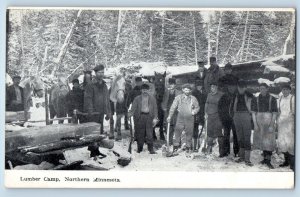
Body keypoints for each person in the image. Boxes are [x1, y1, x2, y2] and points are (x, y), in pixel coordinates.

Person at [167, 84, 200, 156]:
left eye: (188, 90)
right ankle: (175, 149)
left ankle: (188, 149)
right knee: (177, 133)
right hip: (180, 117)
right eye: (185, 90)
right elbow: (173, 107)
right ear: (182, 90)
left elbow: (197, 107)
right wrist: (169, 116)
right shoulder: (178, 98)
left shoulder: (193, 98)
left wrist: (194, 112)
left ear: (190, 91)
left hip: (190, 118)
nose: (187, 91)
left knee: (189, 133)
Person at [251, 83, 278, 169]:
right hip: (259, 121)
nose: (262, 90)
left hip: (268, 121)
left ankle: (268, 160)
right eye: (260, 88)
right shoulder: (256, 99)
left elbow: (274, 113)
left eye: (264, 88)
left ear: (267, 89)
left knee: (269, 141)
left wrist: (271, 125)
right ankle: (264, 159)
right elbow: (253, 113)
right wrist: (255, 124)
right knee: (262, 140)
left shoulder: (272, 99)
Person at [129, 84, 158, 154]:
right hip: (140, 117)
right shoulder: (137, 98)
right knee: (140, 133)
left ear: (149, 90)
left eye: (146, 90)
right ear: (141, 90)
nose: (145, 91)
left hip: (149, 117)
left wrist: (155, 118)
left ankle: (151, 149)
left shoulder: (152, 98)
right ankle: (140, 148)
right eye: (143, 90)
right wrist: (129, 114)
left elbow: (155, 109)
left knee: (149, 133)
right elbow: (133, 108)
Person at [84, 64, 111, 134]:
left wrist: (108, 111)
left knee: (100, 133)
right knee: (93, 134)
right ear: (95, 73)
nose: (101, 74)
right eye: (99, 72)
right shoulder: (90, 85)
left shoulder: (104, 85)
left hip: (101, 113)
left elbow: (107, 99)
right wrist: (90, 110)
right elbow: (88, 99)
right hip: (93, 114)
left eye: (102, 72)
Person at [231, 81, 254, 166]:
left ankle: (247, 159)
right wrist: (232, 115)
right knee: (239, 136)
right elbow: (231, 106)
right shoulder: (235, 95)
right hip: (237, 115)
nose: (240, 89)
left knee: (246, 136)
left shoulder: (250, 95)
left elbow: (254, 107)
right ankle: (242, 157)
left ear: (245, 88)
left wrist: (251, 117)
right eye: (239, 87)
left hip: (246, 115)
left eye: (242, 87)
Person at [218, 79, 240, 157]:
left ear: (235, 87)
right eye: (230, 87)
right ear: (228, 87)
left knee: (236, 135)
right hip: (226, 120)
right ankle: (226, 151)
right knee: (226, 135)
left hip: (235, 119)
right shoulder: (224, 96)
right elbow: (219, 108)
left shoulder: (238, 96)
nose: (231, 88)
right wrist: (222, 118)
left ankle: (236, 152)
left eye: (233, 87)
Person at [277, 84, 295, 171]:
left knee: (290, 143)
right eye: (283, 89)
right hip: (281, 123)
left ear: (289, 90)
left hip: (290, 123)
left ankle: (293, 163)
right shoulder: (280, 98)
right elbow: (278, 111)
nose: (284, 91)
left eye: (286, 89)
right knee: (283, 142)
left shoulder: (293, 98)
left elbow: (295, 112)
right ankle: (286, 161)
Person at [205, 82, 224, 156]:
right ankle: (209, 148)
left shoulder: (221, 95)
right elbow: (207, 103)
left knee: (219, 133)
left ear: (217, 87)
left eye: (213, 87)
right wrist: (205, 113)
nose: (212, 88)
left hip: (218, 116)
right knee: (209, 132)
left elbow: (223, 106)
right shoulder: (209, 95)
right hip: (210, 116)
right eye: (211, 87)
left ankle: (221, 151)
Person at [161, 78, 182, 145]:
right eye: (170, 84)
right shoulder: (166, 92)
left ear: (175, 85)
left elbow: (181, 102)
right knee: (168, 126)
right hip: (168, 111)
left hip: (176, 112)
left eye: (172, 84)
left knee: (177, 126)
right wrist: (163, 107)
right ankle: (169, 141)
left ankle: (177, 141)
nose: (171, 86)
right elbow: (163, 101)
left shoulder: (179, 92)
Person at [192, 78, 207, 152]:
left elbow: (206, 103)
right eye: (198, 86)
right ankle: (194, 146)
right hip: (196, 113)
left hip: (203, 112)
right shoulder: (194, 93)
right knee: (195, 129)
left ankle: (202, 145)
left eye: (200, 85)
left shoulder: (204, 93)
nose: (199, 87)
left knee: (202, 129)